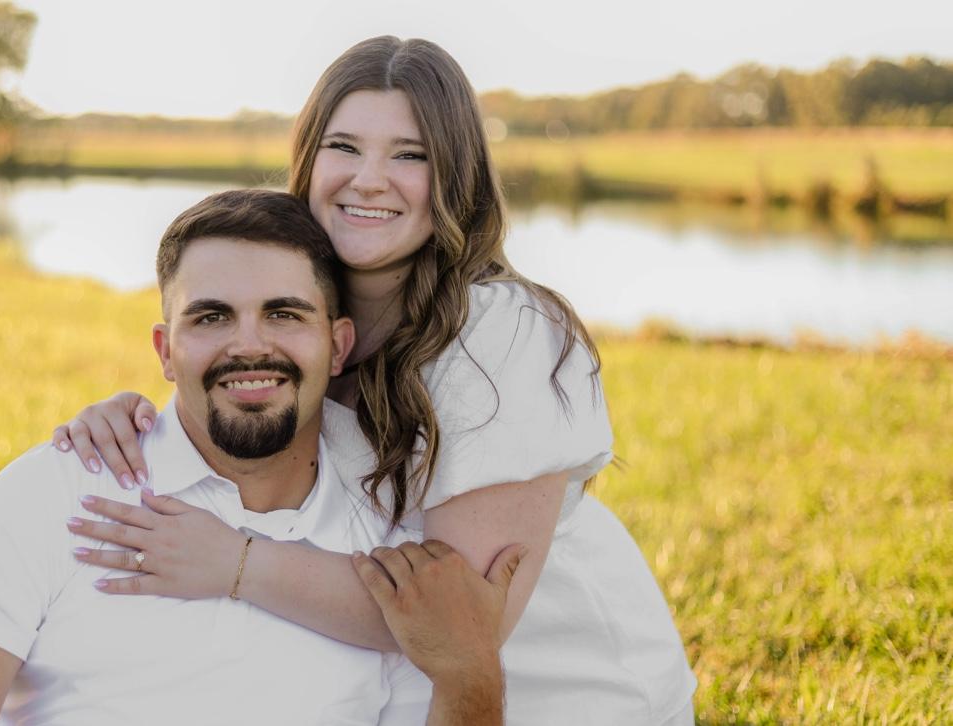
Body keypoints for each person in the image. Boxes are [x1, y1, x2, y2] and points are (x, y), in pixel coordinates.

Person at [53, 37, 697, 724]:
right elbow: (224, 435)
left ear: (455, 177)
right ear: (308, 160)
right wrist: (133, 423)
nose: (368, 180)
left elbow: (460, 623)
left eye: (409, 155)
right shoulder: (298, 311)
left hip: (565, 698)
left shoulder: (501, 330)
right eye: (344, 147)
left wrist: (237, 563)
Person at [0, 190, 523, 725]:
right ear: (165, 351)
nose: (248, 346)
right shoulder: (53, 494)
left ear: (338, 345)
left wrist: (471, 675)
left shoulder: (389, 548)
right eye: (211, 317)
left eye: (283, 314)